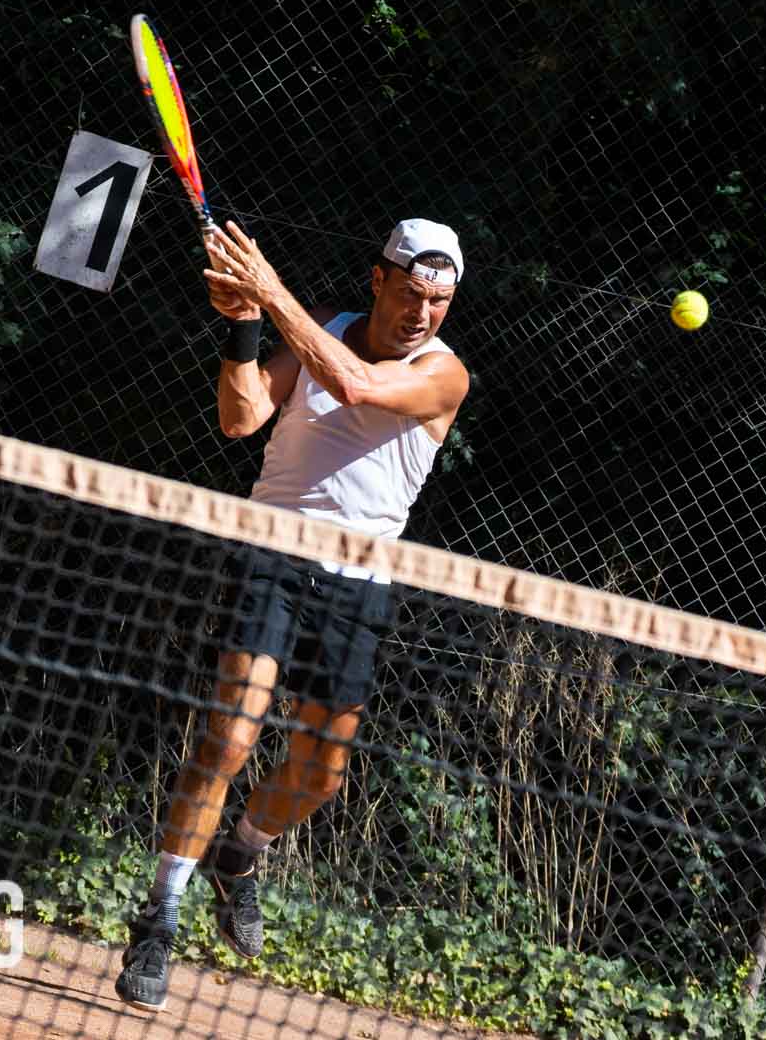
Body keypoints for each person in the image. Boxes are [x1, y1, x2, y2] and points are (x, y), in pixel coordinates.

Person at [115, 218, 471, 1011]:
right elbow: (241, 416)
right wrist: (245, 324)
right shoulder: (325, 330)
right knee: (230, 736)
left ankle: (238, 853)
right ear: (379, 280)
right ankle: (160, 917)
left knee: (320, 775)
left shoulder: (445, 374)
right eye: (412, 293)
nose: (422, 313)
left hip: (358, 581)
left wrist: (269, 293)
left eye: (439, 301)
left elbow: (356, 388)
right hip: (273, 553)